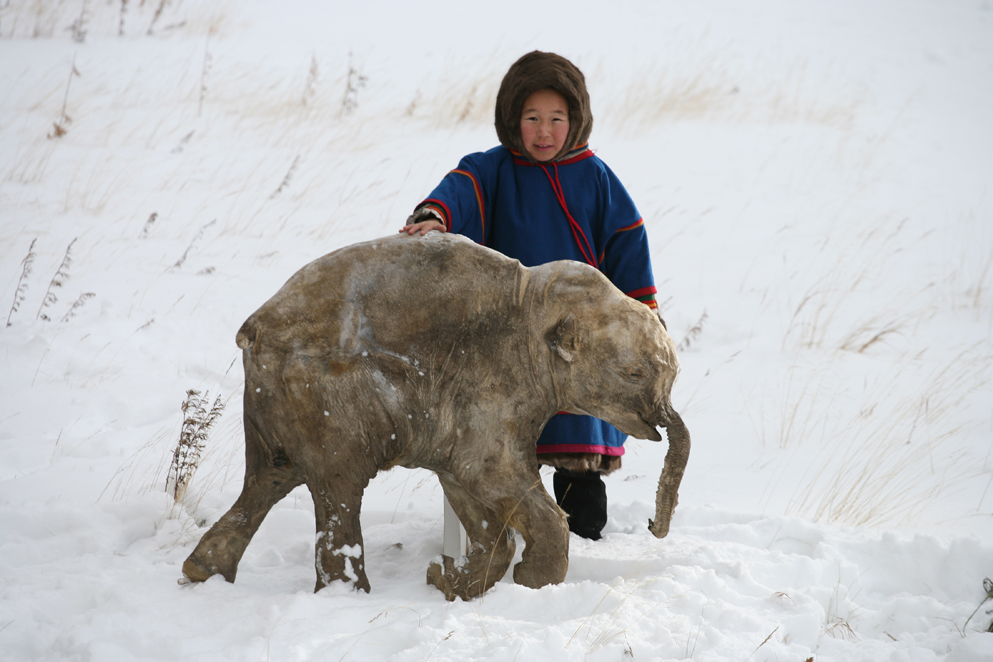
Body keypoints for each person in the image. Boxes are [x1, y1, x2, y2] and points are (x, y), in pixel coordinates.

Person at [400, 51, 661, 540]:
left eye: (556, 119)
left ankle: (580, 529)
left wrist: (642, 316)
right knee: (502, 436)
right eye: (532, 118)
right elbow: (458, 190)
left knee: (575, 437)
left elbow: (628, 244)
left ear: (575, 119)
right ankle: (499, 524)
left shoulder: (597, 178)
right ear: (512, 119)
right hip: (509, 335)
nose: (544, 132)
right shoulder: (493, 170)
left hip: (577, 340)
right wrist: (434, 217)